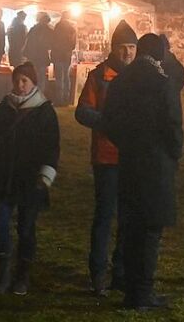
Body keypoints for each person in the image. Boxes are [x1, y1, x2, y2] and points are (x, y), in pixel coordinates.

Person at [100, 33, 183, 311]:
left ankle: (130, 288)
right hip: (156, 165)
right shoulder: (162, 83)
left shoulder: (122, 82)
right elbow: (173, 126)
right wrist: (173, 152)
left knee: (132, 228)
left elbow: (108, 121)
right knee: (150, 232)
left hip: (129, 162)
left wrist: (126, 143)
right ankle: (142, 293)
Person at [0, 61, 59, 296]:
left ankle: (22, 274)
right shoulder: (6, 107)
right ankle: (3, 272)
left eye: (25, 80)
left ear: (33, 83)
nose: (20, 85)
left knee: (26, 228)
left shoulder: (44, 111)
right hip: (3, 176)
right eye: (17, 80)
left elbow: (51, 146)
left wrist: (45, 174)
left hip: (29, 179)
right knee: (0, 224)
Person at [74, 20, 138, 296]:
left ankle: (121, 272)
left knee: (127, 217)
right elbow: (83, 111)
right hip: (107, 156)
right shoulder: (100, 76)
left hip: (132, 157)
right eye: (123, 47)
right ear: (114, 49)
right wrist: (109, 123)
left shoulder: (139, 76)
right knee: (104, 216)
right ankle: (98, 273)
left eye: (132, 48)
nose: (127, 53)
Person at [51, 11, 78, 106]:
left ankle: (59, 100)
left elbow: (53, 41)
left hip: (58, 55)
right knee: (66, 77)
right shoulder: (72, 29)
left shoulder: (58, 26)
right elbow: (73, 45)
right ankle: (66, 99)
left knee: (59, 78)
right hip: (67, 56)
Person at [25, 13, 53, 89]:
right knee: (41, 79)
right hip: (42, 58)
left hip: (33, 57)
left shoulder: (33, 29)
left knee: (33, 78)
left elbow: (28, 43)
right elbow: (51, 44)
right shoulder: (48, 31)